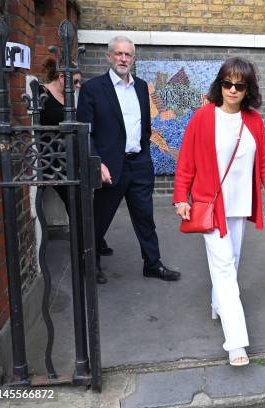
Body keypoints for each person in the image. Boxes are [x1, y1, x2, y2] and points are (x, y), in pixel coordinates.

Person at [173, 57, 265, 366]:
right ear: (220, 85)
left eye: (239, 85)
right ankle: (236, 344)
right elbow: (187, 162)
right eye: (227, 83)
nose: (232, 90)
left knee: (230, 263)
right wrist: (181, 197)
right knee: (224, 269)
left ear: (248, 89)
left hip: (240, 205)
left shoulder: (254, 121)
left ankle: (217, 304)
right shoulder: (203, 118)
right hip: (210, 206)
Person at [77, 35, 180, 284]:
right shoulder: (93, 88)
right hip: (109, 166)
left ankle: (152, 264)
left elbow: (145, 125)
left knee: (145, 217)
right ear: (109, 56)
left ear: (133, 59)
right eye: (118, 53)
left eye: (128, 55)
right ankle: (90, 266)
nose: (123, 58)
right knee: (100, 219)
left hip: (139, 163)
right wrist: (96, 161)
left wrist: (144, 153)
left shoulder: (142, 87)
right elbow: (84, 130)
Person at [39, 57, 114, 256]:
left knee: (83, 203)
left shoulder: (71, 97)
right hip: (51, 160)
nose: (79, 86)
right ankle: (87, 250)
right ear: (62, 77)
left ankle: (94, 242)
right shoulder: (41, 93)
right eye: (76, 82)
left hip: (72, 158)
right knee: (76, 205)